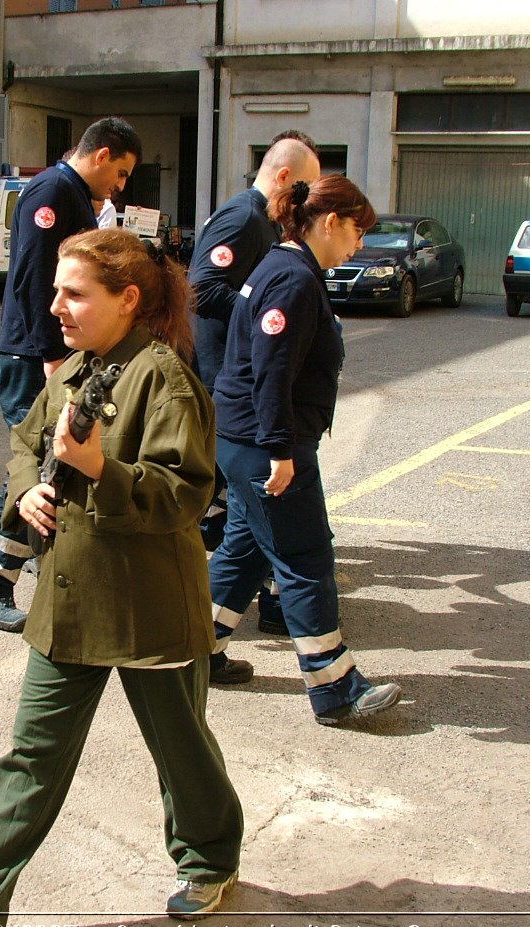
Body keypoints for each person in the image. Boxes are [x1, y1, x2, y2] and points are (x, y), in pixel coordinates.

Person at [0, 229, 243, 927]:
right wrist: (27, 493)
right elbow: (27, 442)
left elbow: (185, 494)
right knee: (32, 754)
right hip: (73, 602)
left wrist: (100, 469)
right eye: (57, 289)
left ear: (128, 299)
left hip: (149, 605)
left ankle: (211, 861)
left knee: (181, 748)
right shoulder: (78, 369)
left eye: (74, 292)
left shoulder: (163, 378)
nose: (56, 305)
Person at [208, 176, 402, 726]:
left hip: (245, 438)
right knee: (305, 557)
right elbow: (271, 370)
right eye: (358, 232)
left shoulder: (282, 266)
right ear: (330, 222)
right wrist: (279, 449)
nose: (359, 244)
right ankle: (335, 687)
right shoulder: (292, 278)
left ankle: (196, 652)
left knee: (245, 551)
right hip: (264, 441)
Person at [0, 118, 141, 632]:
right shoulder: (52, 189)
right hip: (32, 357)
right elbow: (35, 278)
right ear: (102, 153)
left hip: (47, 352)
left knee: (56, 461)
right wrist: (50, 355)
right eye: (122, 172)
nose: (121, 184)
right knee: (37, 462)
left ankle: (50, 572)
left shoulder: (72, 194)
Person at [188, 132, 321, 683]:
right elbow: (201, 288)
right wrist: (255, 308)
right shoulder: (242, 219)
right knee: (249, 504)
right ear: (286, 177)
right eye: (308, 184)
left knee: (247, 514)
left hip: (242, 382)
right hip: (227, 380)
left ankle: (238, 621)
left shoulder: (269, 224)